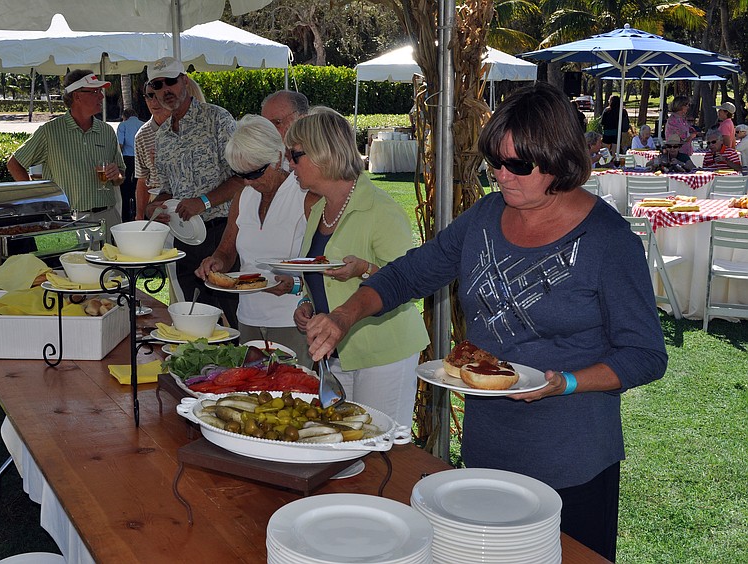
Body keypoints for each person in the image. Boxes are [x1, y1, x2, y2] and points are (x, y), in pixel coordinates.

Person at [303, 83, 667, 561]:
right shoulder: (485, 217)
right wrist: (345, 315)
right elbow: (409, 273)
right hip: (488, 447)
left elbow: (645, 355)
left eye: (518, 165)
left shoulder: (607, 240)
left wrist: (568, 383)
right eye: (495, 162)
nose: (502, 176)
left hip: (571, 457)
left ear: (558, 159)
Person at [287, 110, 429, 426]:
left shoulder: (381, 209)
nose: (290, 164)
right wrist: (306, 304)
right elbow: (320, 277)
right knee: (343, 444)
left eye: (295, 155)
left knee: (379, 447)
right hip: (339, 352)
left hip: (383, 352)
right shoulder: (320, 210)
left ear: (323, 152)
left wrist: (363, 268)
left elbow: (409, 285)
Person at [195, 115, 319, 367]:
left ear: (277, 157)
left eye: (254, 172)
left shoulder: (305, 196)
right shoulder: (244, 197)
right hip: (249, 318)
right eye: (241, 175)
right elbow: (227, 250)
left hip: (292, 320)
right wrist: (216, 262)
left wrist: (296, 285)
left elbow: (322, 263)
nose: (249, 181)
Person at [144, 56, 244, 327]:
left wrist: (203, 201)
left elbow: (243, 177)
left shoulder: (217, 118)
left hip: (222, 234)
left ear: (184, 81)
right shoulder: (162, 135)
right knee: (194, 318)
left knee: (233, 315)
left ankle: (245, 367)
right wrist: (154, 207)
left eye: (171, 82)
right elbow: (166, 189)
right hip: (184, 238)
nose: (166, 90)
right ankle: (206, 369)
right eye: (157, 85)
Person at [7, 70, 125, 229]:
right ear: (77, 96)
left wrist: (116, 174)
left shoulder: (107, 131)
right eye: (95, 91)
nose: (102, 96)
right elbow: (14, 164)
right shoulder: (49, 132)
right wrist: (36, 200)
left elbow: (120, 177)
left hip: (108, 217)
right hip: (68, 221)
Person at [133, 83, 172, 220]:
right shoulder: (142, 135)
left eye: (158, 95)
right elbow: (142, 179)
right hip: (156, 203)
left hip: (186, 200)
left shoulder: (185, 126)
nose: (154, 101)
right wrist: (139, 216)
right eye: (149, 96)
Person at [116, 108, 144, 221]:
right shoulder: (144, 124)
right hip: (141, 159)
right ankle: (140, 213)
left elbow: (120, 145)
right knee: (140, 188)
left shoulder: (123, 125)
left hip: (128, 159)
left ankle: (126, 216)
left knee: (125, 190)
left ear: (124, 116)